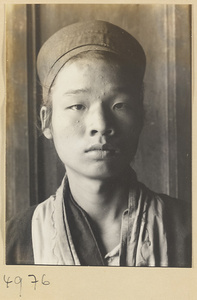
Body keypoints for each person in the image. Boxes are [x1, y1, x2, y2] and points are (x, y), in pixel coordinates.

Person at [6, 20, 191, 267]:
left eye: (120, 105)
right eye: (77, 106)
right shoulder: (13, 244)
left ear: (141, 117)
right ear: (46, 119)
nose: (101, 124)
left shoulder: (187, 230)